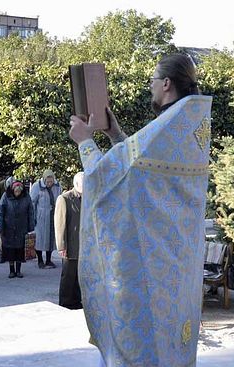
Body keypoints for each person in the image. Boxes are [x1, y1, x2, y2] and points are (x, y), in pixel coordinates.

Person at [69, 53, 211, 366]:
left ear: (166, 84)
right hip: (180, 266)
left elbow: (108, 179)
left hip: (153, 267)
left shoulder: (170, 125)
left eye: (152, 81)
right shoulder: (189, 125)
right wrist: (114, 135)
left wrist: (84, 141)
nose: (149, 87)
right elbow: (138, 170)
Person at [54, 172, 83, 310]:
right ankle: (65, 302)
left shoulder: (87, 198)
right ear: (76, 184)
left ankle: (76, 301)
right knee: (68, 276)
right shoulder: (64, 198)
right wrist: (61, 246)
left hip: (83, 245)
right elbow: (60, 224)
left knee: (79, 275)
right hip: (70, 244)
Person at [0, 180, 34, 278]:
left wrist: (31, 226)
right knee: (10, 250)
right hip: (8, 226)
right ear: (13, 190)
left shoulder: (26, 197)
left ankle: (18, 270)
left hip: (22, 226)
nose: (17, 194)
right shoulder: (6, 196)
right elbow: (0, 211)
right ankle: (11, 270)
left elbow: (31, 211)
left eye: (19, 192)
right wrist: (0, 226)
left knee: (20, 250)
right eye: (16, 192)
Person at [29, 169, 62, 269]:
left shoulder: (57, 187)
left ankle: (48, 260)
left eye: (51, 181)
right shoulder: (37, 186)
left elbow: (60, 199)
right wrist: (33, 217)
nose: (49, 183)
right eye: (48, 181)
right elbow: (32, 202)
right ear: (44, 179)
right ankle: (40, 260)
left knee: (51, 239)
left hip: (53, 216)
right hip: (41, 216)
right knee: (40, 239)